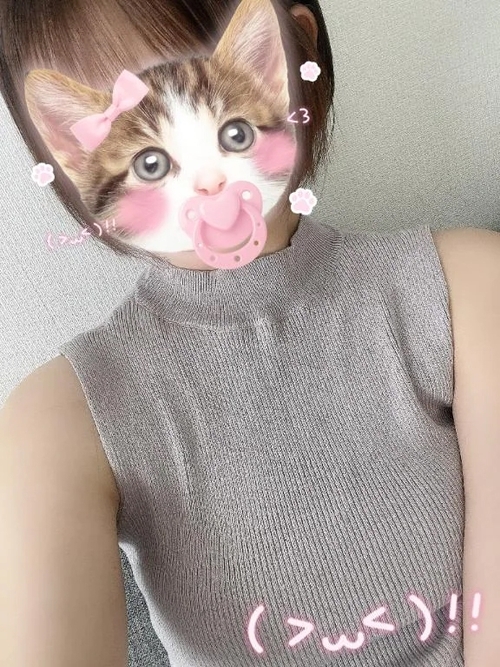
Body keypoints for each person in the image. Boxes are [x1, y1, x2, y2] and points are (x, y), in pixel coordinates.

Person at [0, 0, 499, 665]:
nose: (207, 184)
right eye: (150, 158)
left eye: (229, 132)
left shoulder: (466, 286)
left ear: (289, 64)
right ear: (64, 154)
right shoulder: (59, 420)